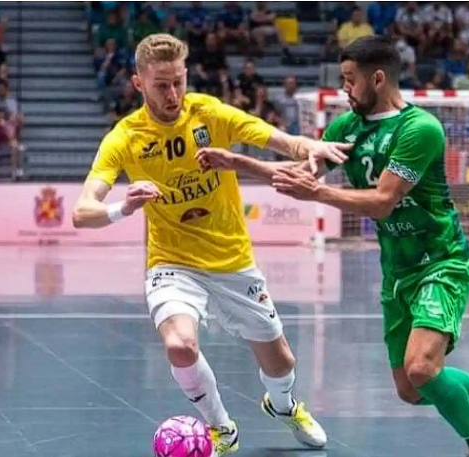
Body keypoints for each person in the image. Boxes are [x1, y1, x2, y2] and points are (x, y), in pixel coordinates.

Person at [195, 36, 469, 457]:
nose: (345, 88)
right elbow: (301, 173)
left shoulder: (419, 129)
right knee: (411, 389)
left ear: (378, 78)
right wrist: (239, 163)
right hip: (397, 270)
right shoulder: (345, 128)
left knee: (422, 368)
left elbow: (383, 201)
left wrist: (317, 195)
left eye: (350, 80)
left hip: (441, 261)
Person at [72, 33, 349, 455]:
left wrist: (309, 146)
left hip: (233, 260)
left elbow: (273, 138)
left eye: (178, 81)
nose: (173, 93)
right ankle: (222, 429)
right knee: (180, 345)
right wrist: (122, 208)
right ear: (138, 84)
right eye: (161, 84)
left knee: (282, 362)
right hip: (172, 263)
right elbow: (82, 211)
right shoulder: (124, 138)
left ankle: (282, 405)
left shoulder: (209, 114)